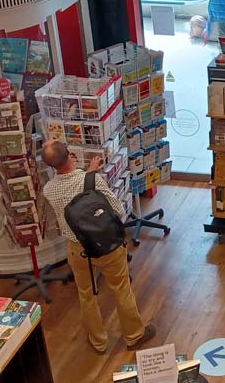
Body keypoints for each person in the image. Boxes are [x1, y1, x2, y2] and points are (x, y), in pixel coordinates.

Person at [42, 139, 156, 354]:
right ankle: (134, 335)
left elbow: (71, 194)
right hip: (107, 246)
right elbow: (118, 211)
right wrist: (92, 175)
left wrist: (88, 174)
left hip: (78, 249)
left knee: (86, 294)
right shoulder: (92, 180)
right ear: (69, 153)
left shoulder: (49, 190)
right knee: (121, 288)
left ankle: (98, 341)